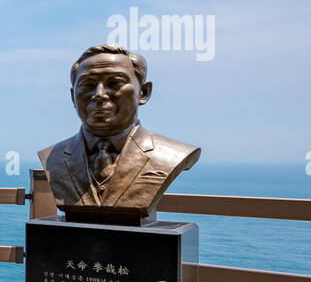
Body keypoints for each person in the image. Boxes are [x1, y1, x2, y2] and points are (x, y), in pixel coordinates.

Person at [39, 45, 200, 222]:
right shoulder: (53, 157)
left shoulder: (172, 155)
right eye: (88, 85)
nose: (99, 95)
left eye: (115, 83)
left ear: (144, 93)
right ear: (73, 97)